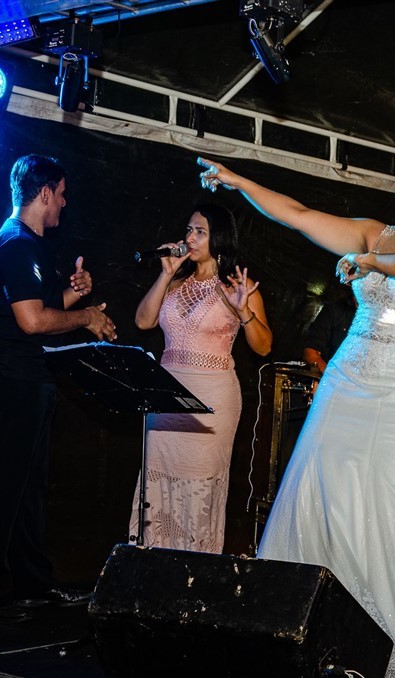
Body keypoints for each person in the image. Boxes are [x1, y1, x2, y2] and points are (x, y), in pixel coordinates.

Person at [198, 151, 395, 676]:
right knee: (323, 491)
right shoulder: (374, 231)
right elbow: (296, 214)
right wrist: (236, 180)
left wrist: (369, 264)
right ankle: (317, 635)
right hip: (347, 378)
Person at [0, 154, 117, 624]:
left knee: (28, 488)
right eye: (63, 194)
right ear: (45, 192)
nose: (64, 205)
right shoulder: (15, 244)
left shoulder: (24, 244)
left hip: (27, 379)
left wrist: (77, 293)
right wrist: (87, 317)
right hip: (11, 379)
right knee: (5, 488)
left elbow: (42, 307)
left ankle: (33, 583)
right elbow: (32, 322)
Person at [131, 203, 272, 553]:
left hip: (212, 399)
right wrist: (165, 274)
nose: (190, 237)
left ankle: (194, 571)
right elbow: (143, 322)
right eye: (189, 229)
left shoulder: (239, 286)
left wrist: (243, 313)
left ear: (219, 237)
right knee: (158, 484)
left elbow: (265, 347)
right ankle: (153, 568)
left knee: (197, 487)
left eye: (200, 232)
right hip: (165, 394)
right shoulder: (176, 281)